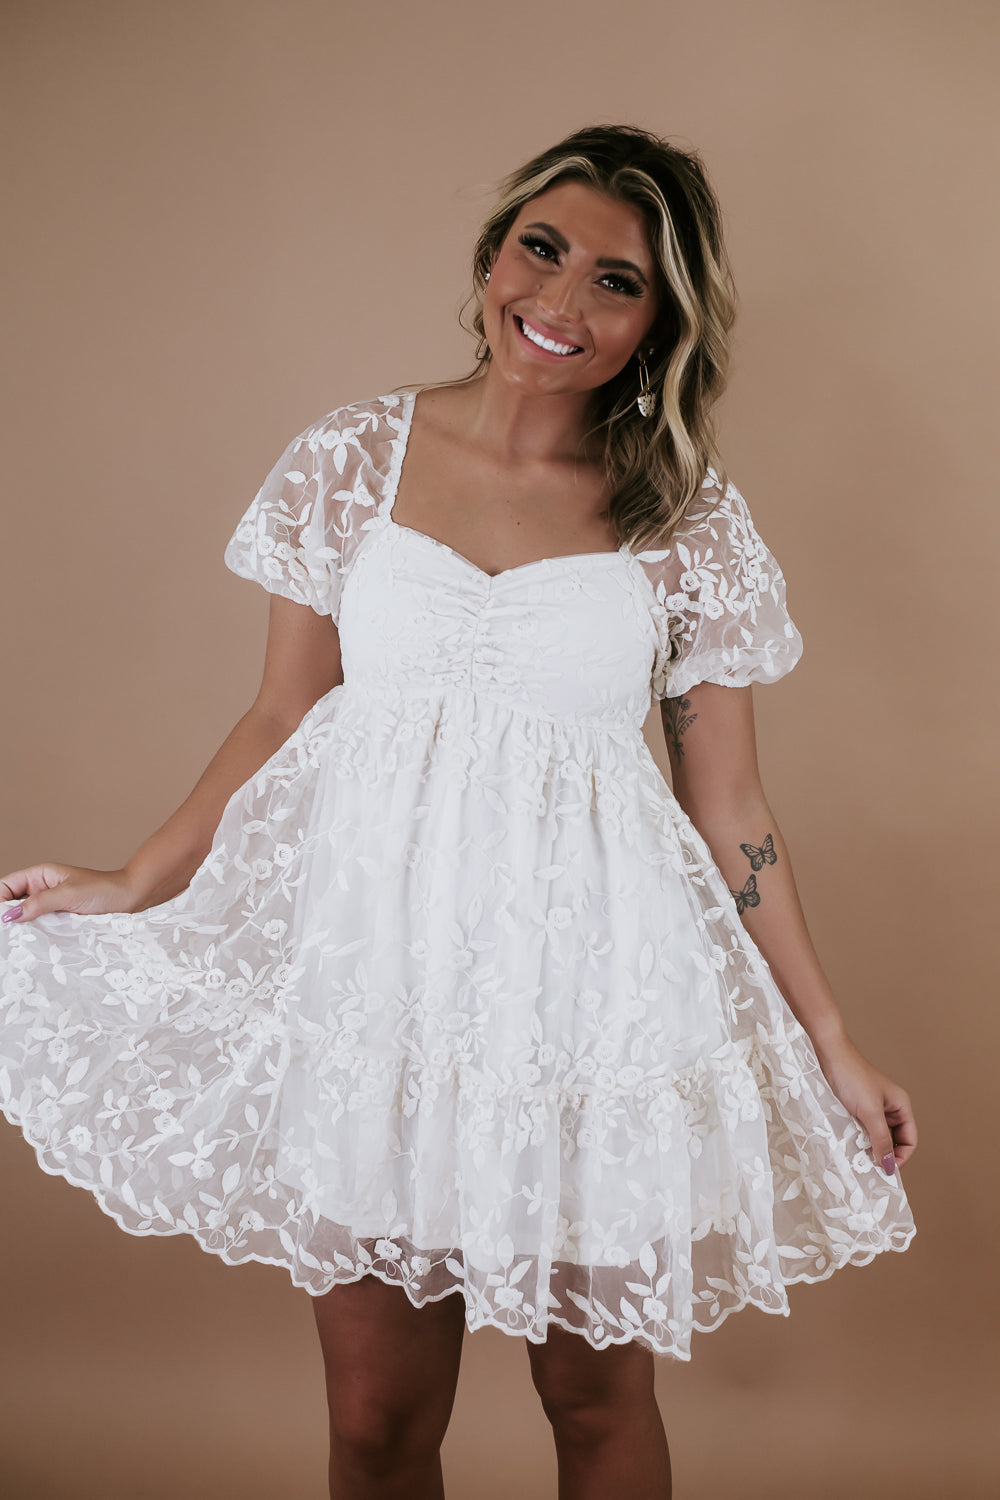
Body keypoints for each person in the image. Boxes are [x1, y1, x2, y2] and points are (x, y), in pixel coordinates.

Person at [0, 123, 917, 1499]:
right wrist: (138, 879)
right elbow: (282, 713)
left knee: (593, 1398)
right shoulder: (352, 458)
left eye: (617, 280)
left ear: (661, 324)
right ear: (492, 253)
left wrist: (831, 1040)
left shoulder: (684, 522)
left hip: (595, 999)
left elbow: (729, 802)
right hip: (380, 986)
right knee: (377, 1416)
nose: (560, 300)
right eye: (541, 249)